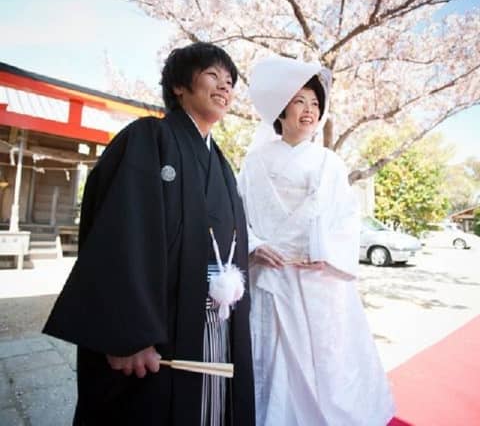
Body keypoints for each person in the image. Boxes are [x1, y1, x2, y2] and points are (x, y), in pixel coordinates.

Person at [43, 42, 255, 426]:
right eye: (212, 75)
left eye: (230, 81)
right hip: (157, 333)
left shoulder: (222, 165)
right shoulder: (149, 137)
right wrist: (128, 333)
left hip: (215, 324)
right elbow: (122, 233)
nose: (224, 86)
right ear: (179, 86)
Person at [237, 56, 395, 426]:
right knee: (270, 361)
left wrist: (325, 251)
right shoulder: (254, 161)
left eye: (314, 103)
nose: (309, 110)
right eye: (299, 101)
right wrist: (255, 245)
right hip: (269, 277)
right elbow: (238, 214)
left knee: (323, 364)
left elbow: (346, 218)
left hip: (316, 278)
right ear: (281, 109)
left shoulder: (330, 163)